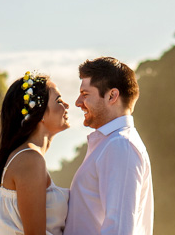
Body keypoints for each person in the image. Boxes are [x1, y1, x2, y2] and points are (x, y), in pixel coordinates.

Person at [65, 57, 154, 235]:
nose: (77, 102)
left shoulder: (121, 146)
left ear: (112, 96)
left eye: (85, 94)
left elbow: (119, 229)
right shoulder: (110, 144)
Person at [0, 70, 73, 235]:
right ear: (40, 113)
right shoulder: (30, 159)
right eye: (58, 100)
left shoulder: (28, 157)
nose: (66, 105)